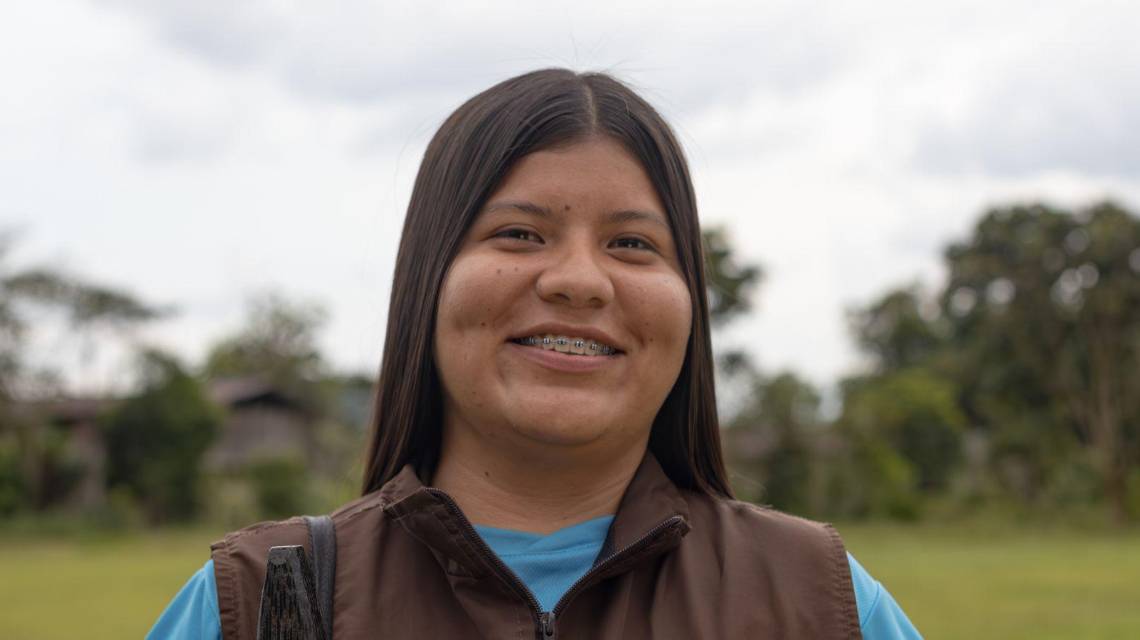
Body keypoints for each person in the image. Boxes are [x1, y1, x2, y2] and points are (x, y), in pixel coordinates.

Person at [149, 68, 921, 639]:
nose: (580, 281)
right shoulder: (261, 601)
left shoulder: (819, 601)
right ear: (428, 283)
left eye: (632, 243)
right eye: (518, 233)